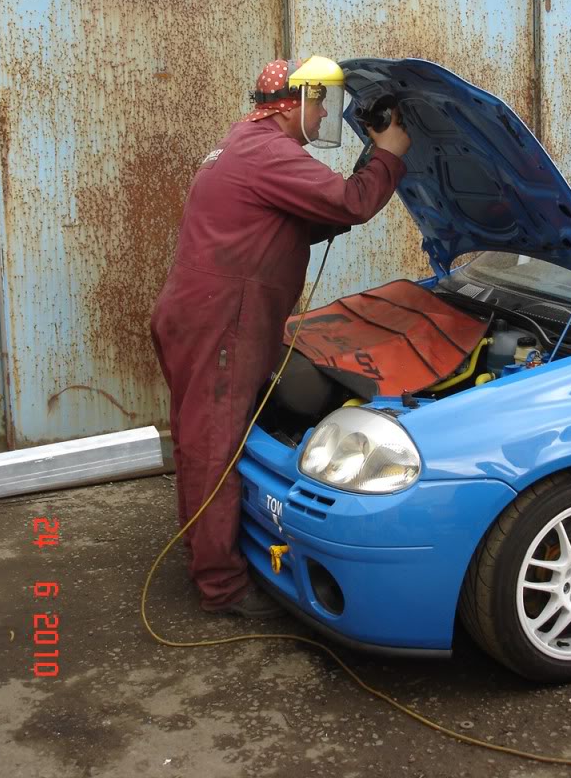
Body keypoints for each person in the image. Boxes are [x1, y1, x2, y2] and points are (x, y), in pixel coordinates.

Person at [150, 57, 411, 619]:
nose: (323, 117)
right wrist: (389, 153)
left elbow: (300, 218)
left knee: (199, 442)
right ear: (298, 101)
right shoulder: (270, 153)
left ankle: (207, 553)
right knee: (213, 450)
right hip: (220, 323)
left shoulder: (243, 142)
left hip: (197, 315)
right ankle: (221, 585)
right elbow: (350, 202)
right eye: (320, 105)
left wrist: (368, 166)